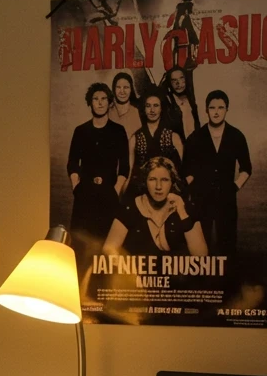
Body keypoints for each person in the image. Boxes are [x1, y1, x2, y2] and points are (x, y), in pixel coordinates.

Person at [183, 90, 252, 257]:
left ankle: (227, 281)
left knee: (227, 243)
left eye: (220, 107)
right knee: (200, 244)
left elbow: (246, 168)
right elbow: (186, 170)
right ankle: (201, 281)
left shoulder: (236, 136)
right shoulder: (195, 137)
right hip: (201, 200)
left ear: (227, 109)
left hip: (226, 200)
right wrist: (193, 188)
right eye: (212, 107)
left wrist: (234, 187)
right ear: (206, 110)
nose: (216, 112)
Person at [67, 82, 129, 262]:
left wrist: (115, 191)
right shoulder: (81, 131)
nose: (100, 103)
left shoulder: (118, 131)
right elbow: (72, 163)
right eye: (96, 99)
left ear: (109, 102)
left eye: (103, 99)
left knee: (106, 249)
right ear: (90, 102)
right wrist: (76, 188)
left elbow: (124, 166)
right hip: (84, 195)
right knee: (80, 247)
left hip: (108, 195)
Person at [104, 155, 207, 256]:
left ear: (173, 182)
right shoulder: (129, 209)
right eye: (152, 179)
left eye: (165, 180)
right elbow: (108, 252)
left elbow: (201, 256)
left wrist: (182, 213)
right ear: (145, 181)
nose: (158, 186)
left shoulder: (186, 208)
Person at [129, 90, 184, 185]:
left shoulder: (174, 137)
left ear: (161, 108)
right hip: (142, 189)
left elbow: (181, 173)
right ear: (144, 109)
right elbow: (129, 174)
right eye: (148, 106)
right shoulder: (135, 138)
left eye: (156, 105)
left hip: (168, 188)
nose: (152, 110)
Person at [161, 66, 200, 141]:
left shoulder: (191, 100)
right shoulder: (168, 103)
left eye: (181, 78)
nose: (178, 83)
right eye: (174, 80)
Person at [108, 71, 142, 140]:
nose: (122, 91)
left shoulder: (138, 111)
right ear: (114, 89)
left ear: (131, 89)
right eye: (118, 87)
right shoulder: (107, 111)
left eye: (126, 87)